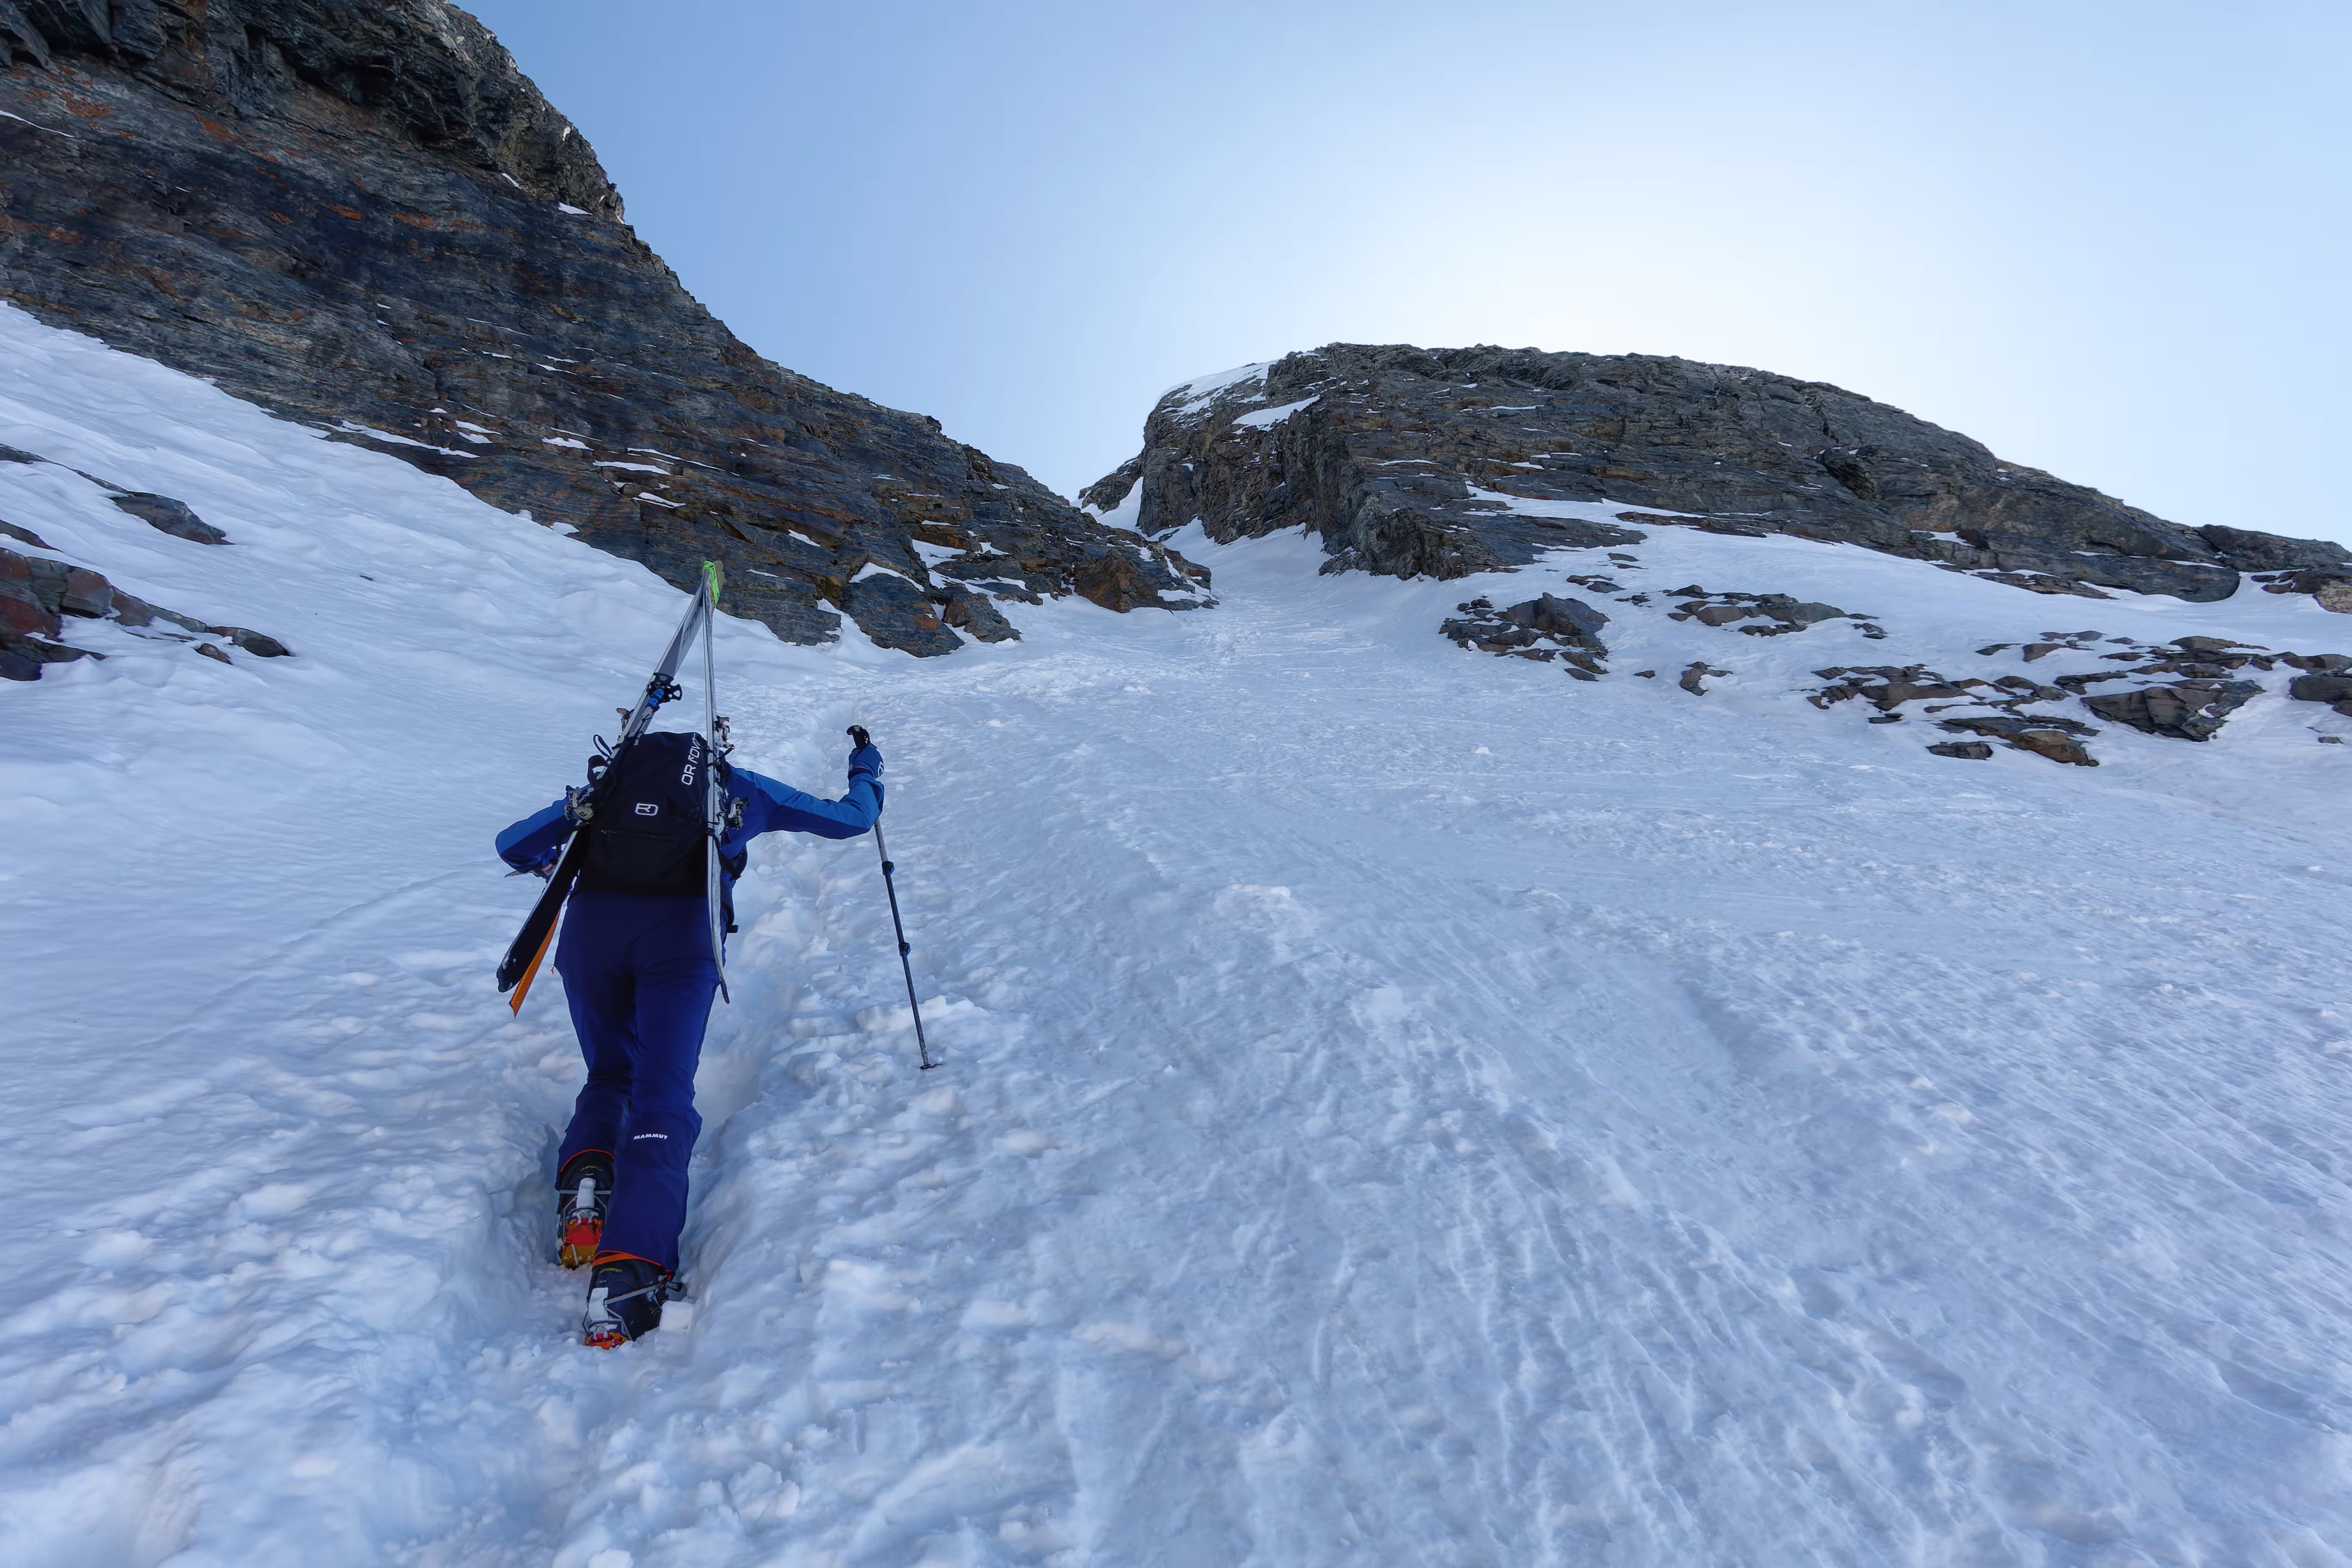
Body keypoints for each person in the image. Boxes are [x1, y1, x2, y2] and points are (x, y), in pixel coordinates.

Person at [496, 726, 883, 1346]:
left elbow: (512, 844)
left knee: (609, 1071)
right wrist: (867, 768)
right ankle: (628, 1275)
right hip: (682, 939)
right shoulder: (740, 788)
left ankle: (588, 1188)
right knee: (663, 1095)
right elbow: (851, 821)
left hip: (591, 937)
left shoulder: (610, 787)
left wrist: (556, 849)